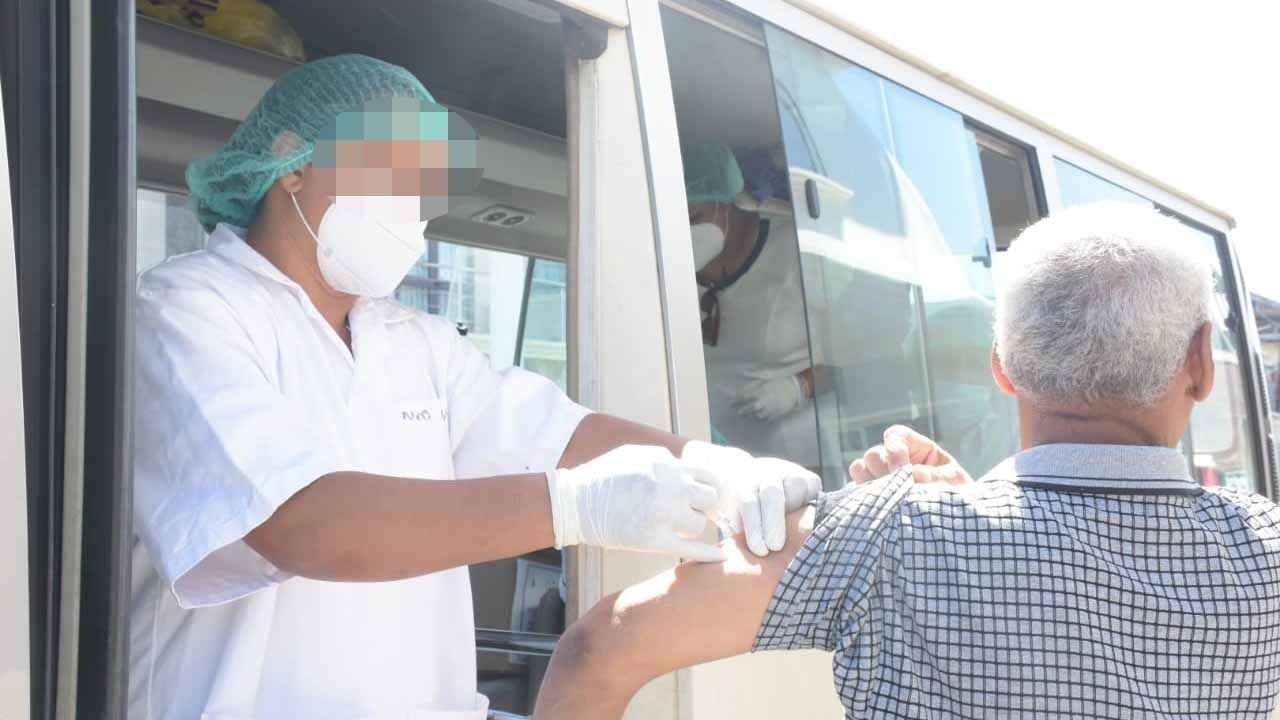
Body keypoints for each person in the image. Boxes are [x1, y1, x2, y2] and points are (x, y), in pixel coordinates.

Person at [128, 55, 821, 720]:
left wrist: (716, 465)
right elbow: (301, 524)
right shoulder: (187, 309)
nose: (412, 204)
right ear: (293, 163)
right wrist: (575, 505)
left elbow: (561, 435)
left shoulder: (414, 340)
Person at [533, 203, 1280, 719]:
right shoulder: (1266, 549)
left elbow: (600, 650)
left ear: (1002, 365)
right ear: (1200, 366)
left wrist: (965, 515)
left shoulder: (890, 533)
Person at [683, 144, 830, 468]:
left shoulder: (799, 252)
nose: (687, 232)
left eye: (694, 217)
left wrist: (798, 388)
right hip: (712, 457)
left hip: (795, 459)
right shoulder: (675, 268)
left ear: (727, 204)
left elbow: (858, 360)